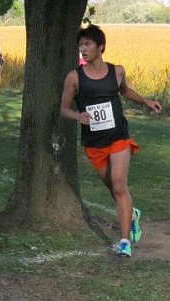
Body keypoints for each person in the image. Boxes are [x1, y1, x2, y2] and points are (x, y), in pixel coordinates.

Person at [60, 24, 162, 258]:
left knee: (118, 185)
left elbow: (125, 91)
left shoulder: (117, 71)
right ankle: (132, 214)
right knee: (113, 188)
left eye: (88, 44)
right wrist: (77, 116)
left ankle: (125, 242)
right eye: (80, 45)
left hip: (118, 137)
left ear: (101, 47)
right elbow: (63, 109)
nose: (83, 49)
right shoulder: (74, 77)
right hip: (94, 143)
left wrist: (145, 101)